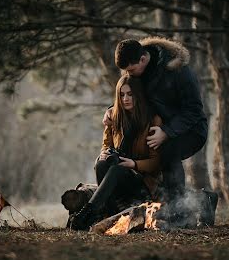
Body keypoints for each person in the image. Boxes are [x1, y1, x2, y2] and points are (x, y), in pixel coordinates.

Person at [109, 37, 209, 202]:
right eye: (126, 71)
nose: (129, 75)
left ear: (143, 59)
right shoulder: (136, 70)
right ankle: (137, 203)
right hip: (158, 127)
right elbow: (129, 96)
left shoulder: (179, 71)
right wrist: (111, 110)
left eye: (131, 71)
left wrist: (167, 132)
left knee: (167, 152)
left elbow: (194, 110)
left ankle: (177, 209)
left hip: (191, 130)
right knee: (129, 151)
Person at [68, 74, 162, 231]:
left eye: (130, 94)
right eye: (122, 94)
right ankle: (111, 214)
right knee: (101, 163)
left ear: (138, 95)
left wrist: (134, 164)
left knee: (118, 169)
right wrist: (105, 153)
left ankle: (89, 214)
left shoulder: (152, 119)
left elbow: (156, 162)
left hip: (142, 185)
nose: (126, 98)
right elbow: (106, 146)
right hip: (119, 181)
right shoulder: (113, 117)